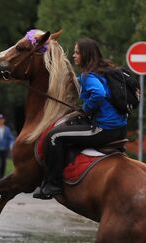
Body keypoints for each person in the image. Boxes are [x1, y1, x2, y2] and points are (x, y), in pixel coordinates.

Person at [35, 38, 128, 199]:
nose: (74, 55)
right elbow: (78, 84)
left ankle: (54, 184)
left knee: (54, 137)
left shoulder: (89, 76)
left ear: (85, 54)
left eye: (77, 52)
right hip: (119, 128)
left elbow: (99, 93)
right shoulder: (102, 72)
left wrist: (86, 109)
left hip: (104, 129)